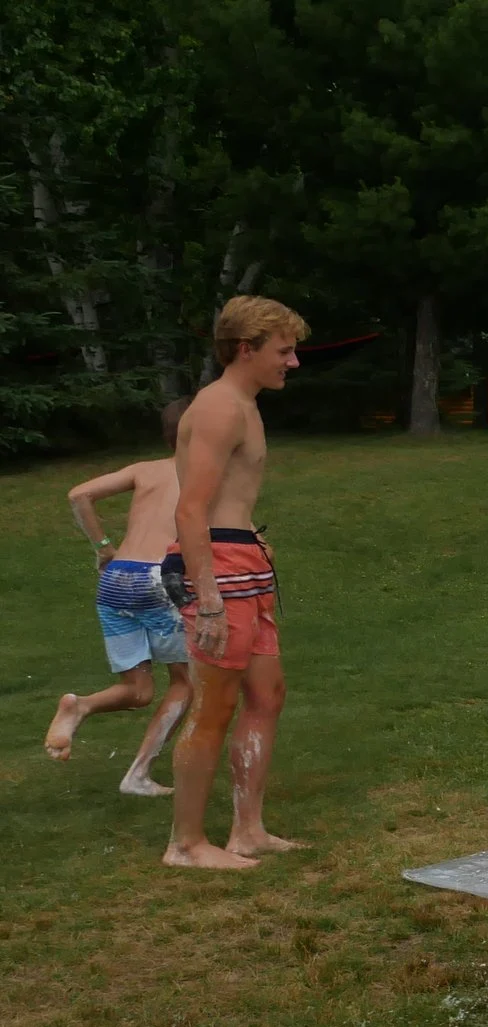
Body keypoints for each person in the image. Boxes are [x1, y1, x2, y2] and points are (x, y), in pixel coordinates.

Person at [163, 296, 306, 871]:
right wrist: (210, 600)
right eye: (284, 351)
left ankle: (248, 830)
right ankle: (186, 844)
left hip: (245, 564)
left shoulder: (245, 404)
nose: (292, 363)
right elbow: (191, 510)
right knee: (213, 708)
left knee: (267, 695)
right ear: (246, 348)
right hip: (217, 570)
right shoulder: (220, 407)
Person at [45, 400, 194, 796]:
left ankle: (80, 706)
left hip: (117, 579)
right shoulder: (206, 476)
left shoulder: (145, 470)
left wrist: (104, 548)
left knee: (140, 691)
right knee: (186, 682)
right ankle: (139, 775)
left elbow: (79, 495)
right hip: (158, 578)